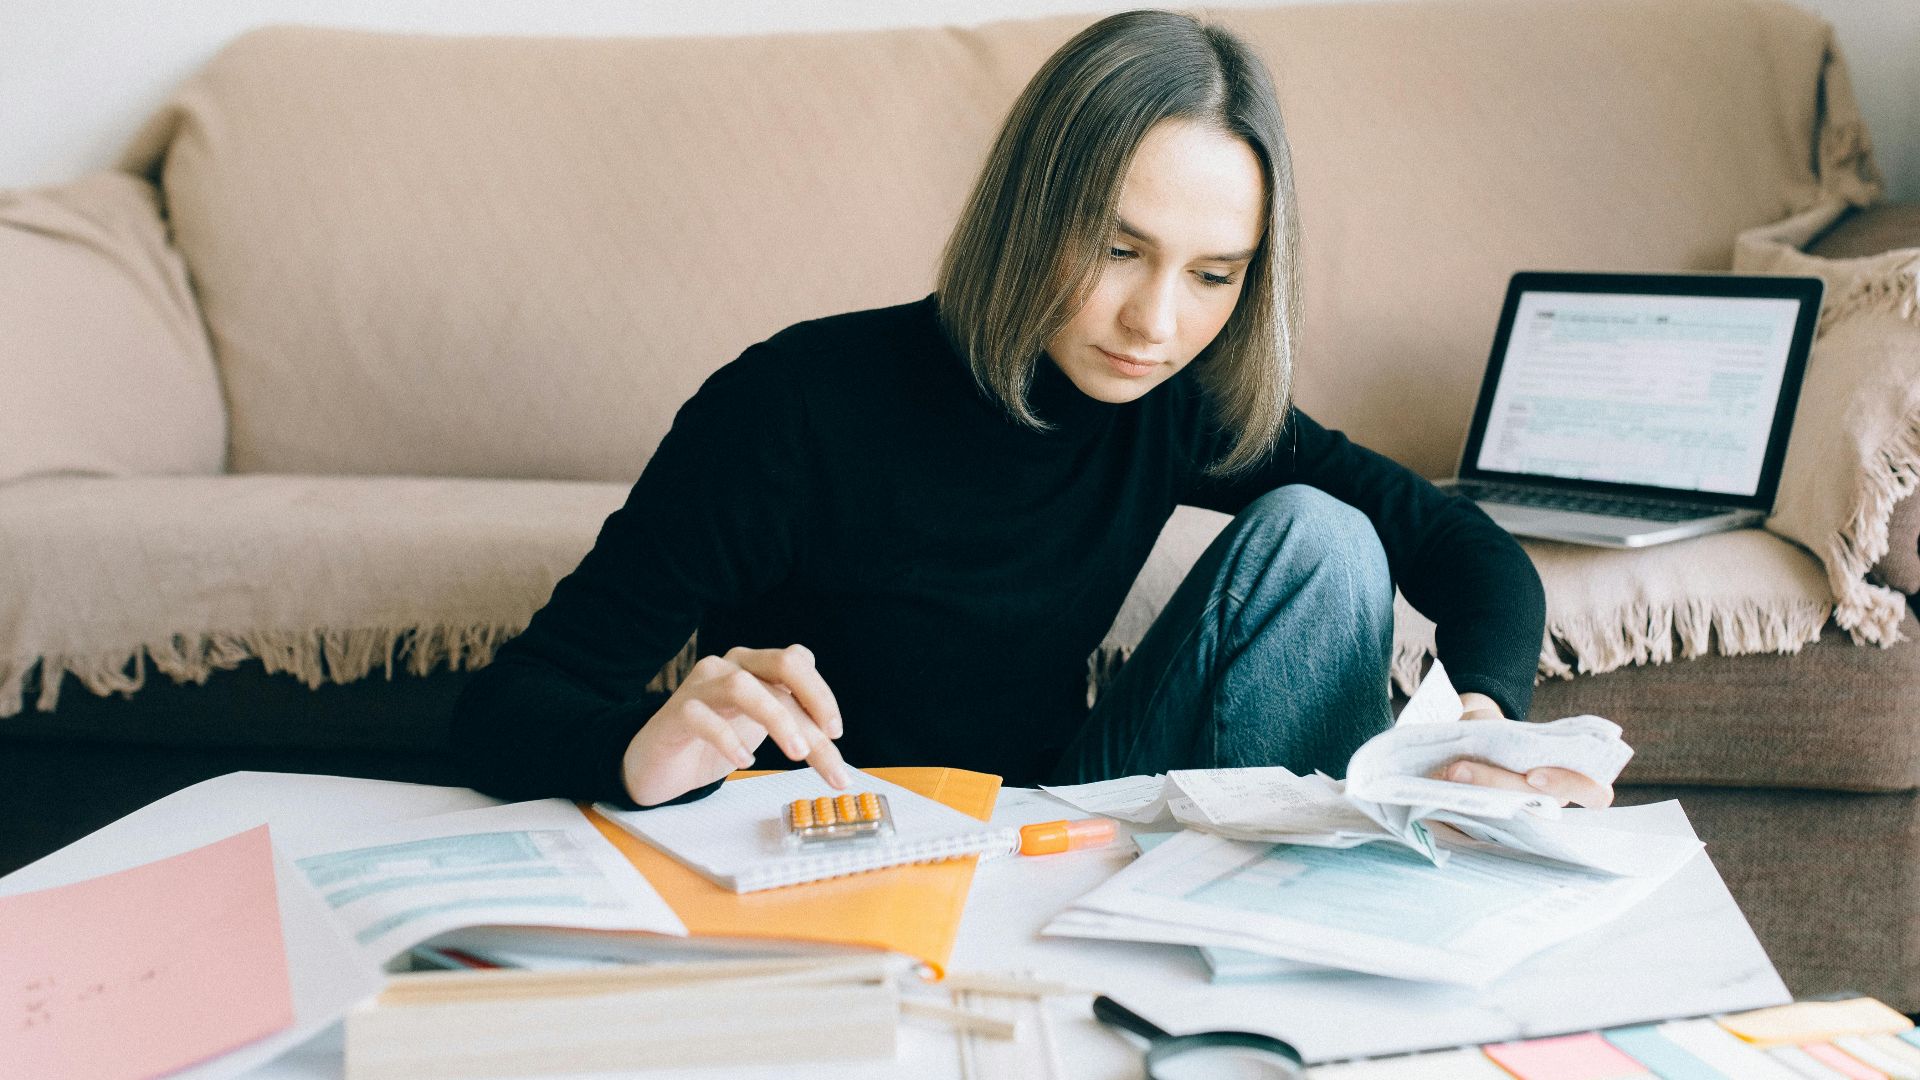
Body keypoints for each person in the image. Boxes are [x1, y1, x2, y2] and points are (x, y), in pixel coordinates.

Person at [451, 10, 1611, 812]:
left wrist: (1481, 719)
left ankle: (1289, 957)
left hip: (1061, 820)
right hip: (823, 841)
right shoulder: (790, 406)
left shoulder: (1177, 399)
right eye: (1117, 248)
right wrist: (642, 749)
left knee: (1326, 536)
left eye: (1213, 275)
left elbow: (1462, 548)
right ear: (1029, 208)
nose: (1155, 323)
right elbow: (510, 706)